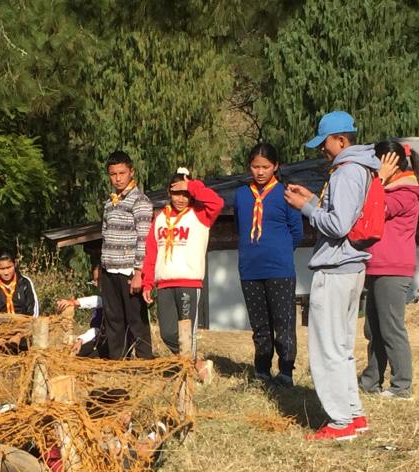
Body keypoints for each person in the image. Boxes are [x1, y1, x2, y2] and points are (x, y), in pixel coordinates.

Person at [284, 111, 378, 441]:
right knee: (341, 347)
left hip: (336, 267)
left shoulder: (346, 172)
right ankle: (353, 415)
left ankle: (340, 423)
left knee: (327, 349)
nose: (322, 151)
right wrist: (311, 198)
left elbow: (338, 225)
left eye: (324, 144)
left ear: (341, 140)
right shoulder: (361, 169)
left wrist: (305, 208)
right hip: (351, 266)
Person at [359, 141, 419, 400]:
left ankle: (401, 386)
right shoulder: (388, 188)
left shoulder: (406, 193)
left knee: (391, 329)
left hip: (393, 268)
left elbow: (375, 209)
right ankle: (370, 381)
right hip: (378, 266)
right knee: (373, 329)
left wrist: (378, 179)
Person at [232, 144, 304, 386]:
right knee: (260, 325)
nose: (260, 172)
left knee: (283, 322)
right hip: (250, 269)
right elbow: (239, 226)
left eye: (265, 167)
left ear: (276, 166)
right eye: (255, 167)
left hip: (280, 269)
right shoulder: (241, 195)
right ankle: (262, 370)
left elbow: (297, 232)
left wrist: (280, 252)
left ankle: (285, 371)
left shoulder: (285, 193)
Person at [141, 168, 223, 379]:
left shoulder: (201, 214)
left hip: (189, 282)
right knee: (167, 332)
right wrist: (147, 282)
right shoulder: (159, 219)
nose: (181, 198)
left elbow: (218, 203)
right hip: (164, 284)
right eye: (177, 193)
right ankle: (197, 363)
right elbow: (151, 252)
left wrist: (192, 186)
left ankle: (187, 376)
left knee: (188, 333)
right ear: (169, 193)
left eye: (185, 194)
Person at [100, 150, 153, 359]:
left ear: (131, 172)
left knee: (136, 320)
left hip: (129, 270)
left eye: (122, 173)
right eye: (113, 174)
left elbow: (144, 238)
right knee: (114, 318)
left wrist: (139, 272)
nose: (118, 178)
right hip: (109, 268)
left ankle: (144, 361)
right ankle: (118, 360)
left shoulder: (139, 200)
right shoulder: (109, 202)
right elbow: (104, 234)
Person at [57, 265, 108, 358]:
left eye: (98, 280)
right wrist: (80, 340)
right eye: (94, 280)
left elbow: (96, 300)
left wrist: (74, 303)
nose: (96, 284)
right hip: (98, 341)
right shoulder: (100, 307)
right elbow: (97, 330)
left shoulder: (109, 301)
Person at [0, 249, 39, 317]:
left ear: (15, 264)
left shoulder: (25, 283)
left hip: (24, 325)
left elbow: (33, 312)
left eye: (9, 267)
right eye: (1, 269)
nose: (6, 273)